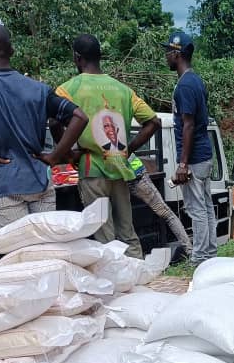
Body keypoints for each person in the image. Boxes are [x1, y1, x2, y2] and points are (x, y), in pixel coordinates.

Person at [0, 23, 88, 228]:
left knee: (20, 253)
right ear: (11, 50)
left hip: (3, 184)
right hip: (40, 182)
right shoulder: (39, 89)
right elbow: (80, 117)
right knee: (49, 248)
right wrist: (55, 156)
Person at [56, 33, 163, 258]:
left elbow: (54, 120)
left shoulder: (67, 89)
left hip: (91, 168)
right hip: (119, 169)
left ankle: (114, 287)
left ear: (77, 58)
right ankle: (138, 278)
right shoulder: (123, 89)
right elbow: (153, 122)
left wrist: (67, 153)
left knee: (103, 235)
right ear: (99, 56)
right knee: (127, 231)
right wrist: (129, 149)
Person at [164, 30, 218, 266]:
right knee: (205, 206)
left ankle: (200, 258)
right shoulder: (196, 80)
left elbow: (188, 125)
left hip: (194, 158)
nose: (166, 55)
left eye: (168, 51)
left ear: (178, 54)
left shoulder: (185, 85)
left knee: (196, 209)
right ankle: (209, 253)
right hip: (203, 154)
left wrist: (183, 164)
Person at [127, 151, 192, 256]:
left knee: (166, 214)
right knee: (168, 215)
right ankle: (190, 251)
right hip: (134, 173)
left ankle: (190, 251)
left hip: (130, 175)